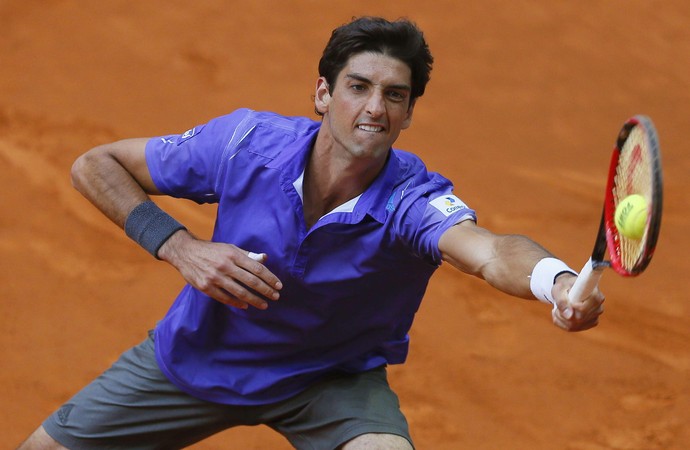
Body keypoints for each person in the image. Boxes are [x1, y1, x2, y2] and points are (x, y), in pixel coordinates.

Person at [19, 16, 604, 450]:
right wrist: (182, 247)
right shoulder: (245, 144)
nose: (374, 108)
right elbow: (95, 165)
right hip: (196, 360)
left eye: (394, 96)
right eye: (358, 87)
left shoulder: (412, 199)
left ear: (408, 114)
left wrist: (557, 282)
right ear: (323, 94)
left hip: (328, 379)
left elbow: (490, 252)